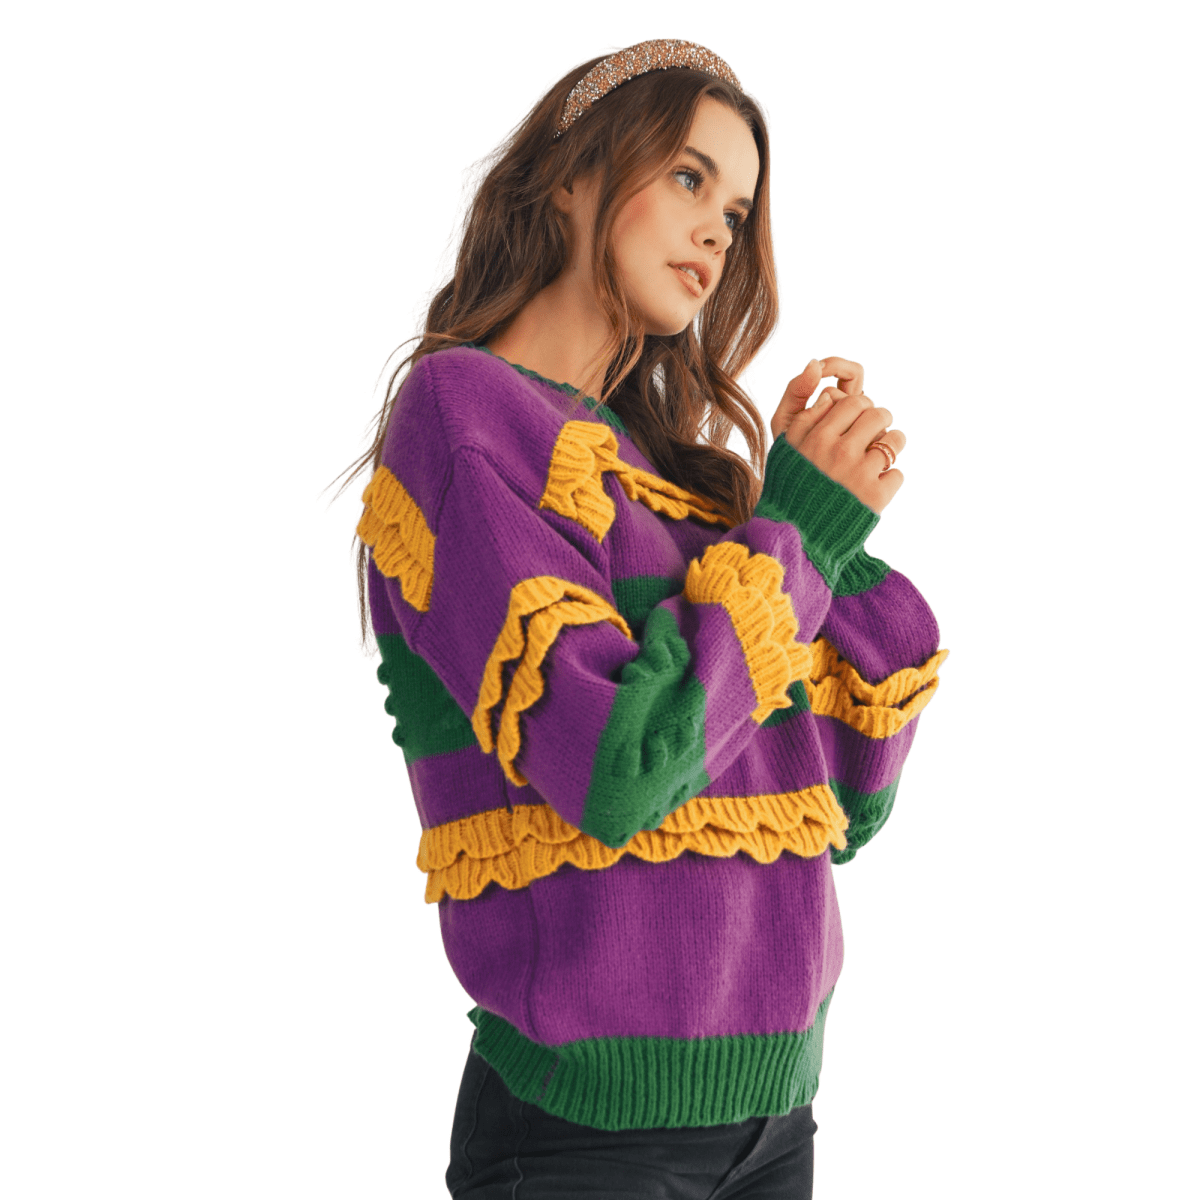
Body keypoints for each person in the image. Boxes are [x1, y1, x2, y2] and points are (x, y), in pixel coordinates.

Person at [345, 39, 947, 1199]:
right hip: (581, 1142)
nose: (718, 233)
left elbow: (844, 805)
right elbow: (615, 772)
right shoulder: (463, 414)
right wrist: (797, 538)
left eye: (738, 211)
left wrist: (818, 530)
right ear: (572, 174)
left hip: (778, 1124)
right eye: (687, 177)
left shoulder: (680, 481)